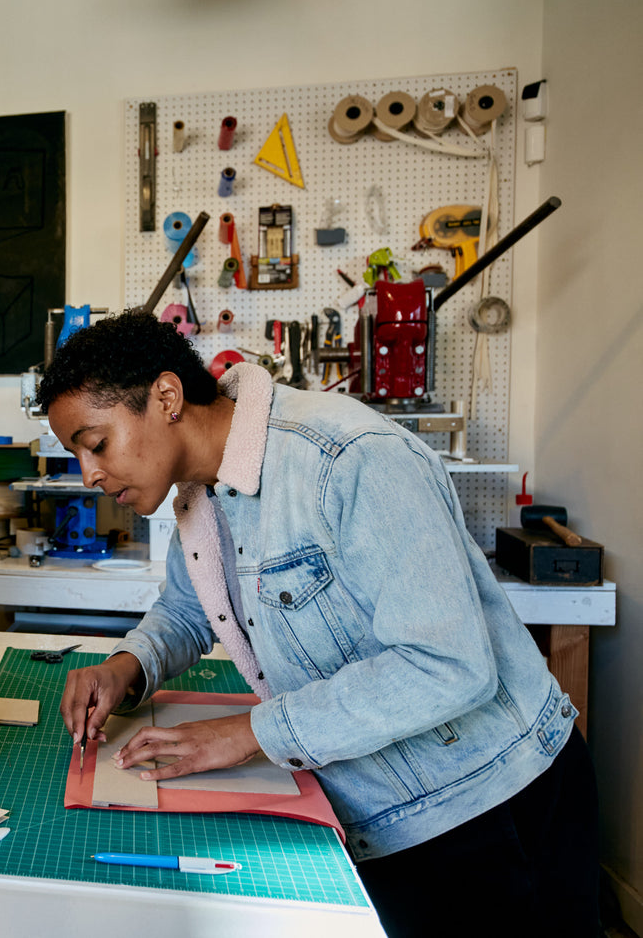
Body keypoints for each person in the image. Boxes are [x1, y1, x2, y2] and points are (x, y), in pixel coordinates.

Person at [39, 309, 598, 937]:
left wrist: (249, 732)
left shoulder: (347, 458)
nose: (88, 475)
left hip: (488, 805)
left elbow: (448, 665)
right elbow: (192, 607)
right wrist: (128, 666)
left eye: (96, 443)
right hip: (376, 810)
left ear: (166, 397)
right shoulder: (200, 488)